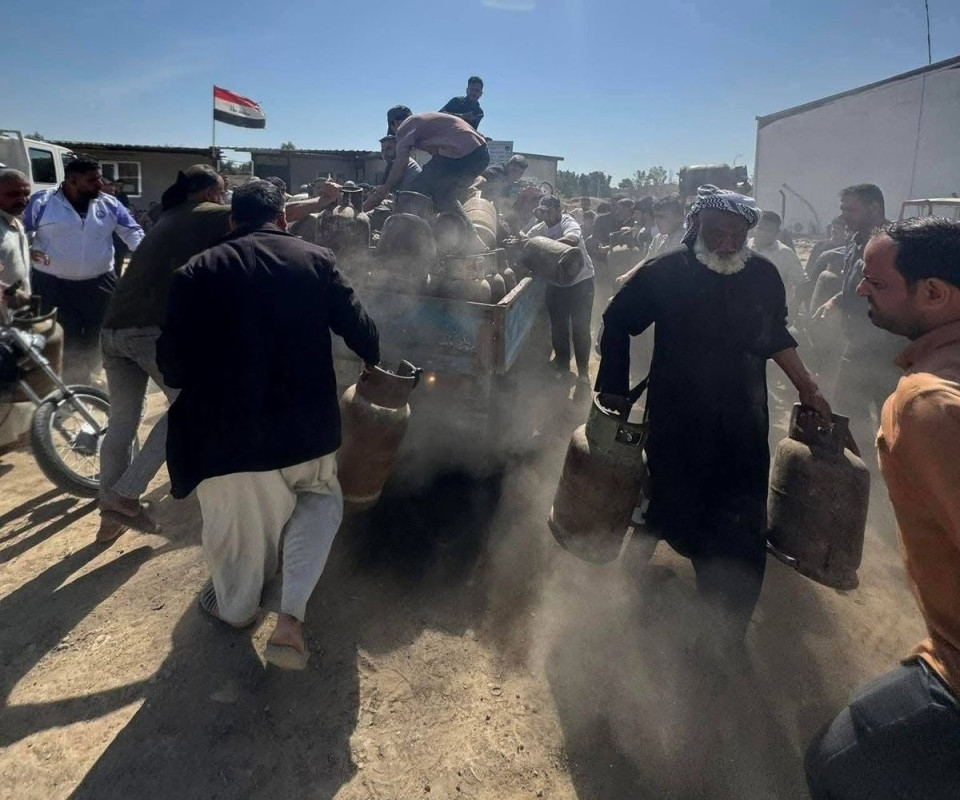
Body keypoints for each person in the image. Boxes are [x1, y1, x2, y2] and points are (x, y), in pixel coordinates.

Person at [157, 180, 380, 669]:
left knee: (237, 538)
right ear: (282, 219)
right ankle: (290, 621)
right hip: (307, 430)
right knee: (321, 499)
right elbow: (360, 327)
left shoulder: (193, 272)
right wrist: (370, 361)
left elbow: (172, 365)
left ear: (232, 221)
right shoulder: (316, 259)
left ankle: (237, 612)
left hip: (227, 440)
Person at [596, 185, 830, 647]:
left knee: (741, 510)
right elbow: (618, 318)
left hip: (744, 415)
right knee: (667, 492)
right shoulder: (666, 271)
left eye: (736, 234)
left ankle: (726, 625)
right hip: (678, 413)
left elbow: (773, 333)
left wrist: (808, 386)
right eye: (716, 231)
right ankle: (633, 585)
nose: (725, 241)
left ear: (748, 234)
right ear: (696, 227)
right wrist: (615, 394)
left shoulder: (763, 275)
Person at [805, 217, 960, 797]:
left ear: (934, 293)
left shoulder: (929, 404)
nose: (860, 290)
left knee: (838, 767)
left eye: (877, 281)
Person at [95, 166, 230, 543]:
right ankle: (125, 495)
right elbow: (259, 213)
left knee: (122, 424)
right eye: (222, 190)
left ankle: (109, 518)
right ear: (207, 193)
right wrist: (323, 201)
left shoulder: (167, 217)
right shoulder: (206, 213)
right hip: (147, 329)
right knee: (190, 406)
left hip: (113, 330)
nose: (223, 198)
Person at [23, 155, 144, 383]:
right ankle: (68, 384)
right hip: (53, 284)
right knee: (63, 335)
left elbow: (132, 231)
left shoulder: (109, 203)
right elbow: (21, 231)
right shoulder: (43, 201)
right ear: (73, 180)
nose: (99, 184)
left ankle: (93, 377)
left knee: (98, 334)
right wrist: (26, 249)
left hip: (100, 283)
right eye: (93, 180)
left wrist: (146, 255)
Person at [815, 184, 901, 444]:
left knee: (891, 415)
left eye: (850, 209)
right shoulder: (857, 241)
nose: (843, 216)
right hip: (856, 346)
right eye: (842, 209)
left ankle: (890, 474)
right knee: (846, 410)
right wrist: (837, 300)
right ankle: (859, 468)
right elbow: (857, 284)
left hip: (887, 351)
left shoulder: (894, 244)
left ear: (874, 208)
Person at [367, 106, 489, 229]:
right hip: (480, 154)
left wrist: (386, 187)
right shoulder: (425, 122)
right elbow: (437, 155)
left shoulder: (405, 126)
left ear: (395, 123)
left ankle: (405, 232)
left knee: (414, 192)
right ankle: (457, 237)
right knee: (444, 194)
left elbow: (401, 161)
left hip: (464, 153)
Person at [522, 196, 595, 387]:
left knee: (580, 328)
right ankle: (563, 367)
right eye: (543, 211)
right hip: (556, 284)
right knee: (558, 328)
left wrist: (545, 246)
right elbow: (526, 239)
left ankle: (583, 374)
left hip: (581, 282)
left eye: (549, 211)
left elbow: (572, 238)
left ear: (558, 209)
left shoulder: (568, 222)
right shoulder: (541, 228)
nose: (545, 215)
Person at [749, 210, 806, 312]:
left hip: (774, 311)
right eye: (760, 228)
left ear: (777, 233)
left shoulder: (785, 254)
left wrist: (794, 307)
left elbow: (801, 283)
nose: (763, 233)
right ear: (753, 228)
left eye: (769, 230)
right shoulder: (742, 248)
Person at [0, 169, 33, 301]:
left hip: (14, 313)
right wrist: (8, 294)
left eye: (26, 193)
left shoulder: (14, 220)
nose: (22, 199)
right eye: (13, 194)